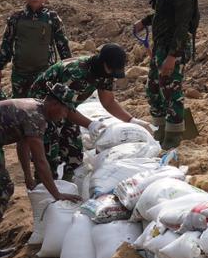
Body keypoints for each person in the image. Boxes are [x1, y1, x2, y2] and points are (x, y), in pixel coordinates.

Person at [0, 83, 88, 258]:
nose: (65, 116)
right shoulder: (36, 117)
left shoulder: (37, 109)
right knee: (3, 188)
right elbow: (41, 162)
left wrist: (27, 175)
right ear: (55, 104)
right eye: (65, 111)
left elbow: (22, 144)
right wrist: (57, 195)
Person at [29, 43, 138, 178]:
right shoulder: (76, 73)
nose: (111, 74)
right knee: (50, 149)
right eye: (111, 70)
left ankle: (68, 185)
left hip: (66, 106)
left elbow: (108, 101)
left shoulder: (105, 72)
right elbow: (64, 107)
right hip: (45, 107)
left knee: (74, 152)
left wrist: (131, 120)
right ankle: (45, 187)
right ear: (103, 62)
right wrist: (90, 124)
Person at [135, 0, 199, 149]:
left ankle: (174, 136)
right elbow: (161, 14)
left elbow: (182, 27)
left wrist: (172, 56)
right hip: (160, 45)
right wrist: (144, 22)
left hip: (174, 48)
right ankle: (160, 131)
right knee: (153, 89)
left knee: (171, 91)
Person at [0, 0, 71, 98]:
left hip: (44, 72)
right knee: (20, 106)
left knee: (41, 106)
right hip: (20, 73)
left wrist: (68, 68)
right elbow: (7, 43)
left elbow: (62, 45)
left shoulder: (52, 17)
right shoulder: (16, 18)